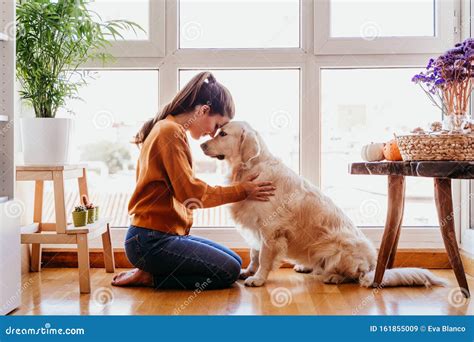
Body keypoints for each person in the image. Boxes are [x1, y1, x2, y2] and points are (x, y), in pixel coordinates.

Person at [111, 71, 276, 290]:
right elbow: (191, 195)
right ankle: (151, 277)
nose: (212, 134)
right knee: (227, 271)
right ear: (204, 110)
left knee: (236, 263)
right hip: (150, 241)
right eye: (217, 126)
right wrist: (242, 190)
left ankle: (151, 268)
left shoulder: (168, 128)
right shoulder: (170, 132)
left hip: (160, 237)